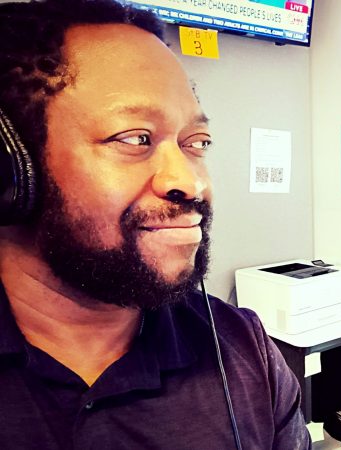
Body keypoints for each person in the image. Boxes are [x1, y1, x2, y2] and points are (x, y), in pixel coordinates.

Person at [0, 0, 311, 448]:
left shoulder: (247, 352)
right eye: (135, 138)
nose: (191, 182)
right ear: (12, 171)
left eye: (196, 142)